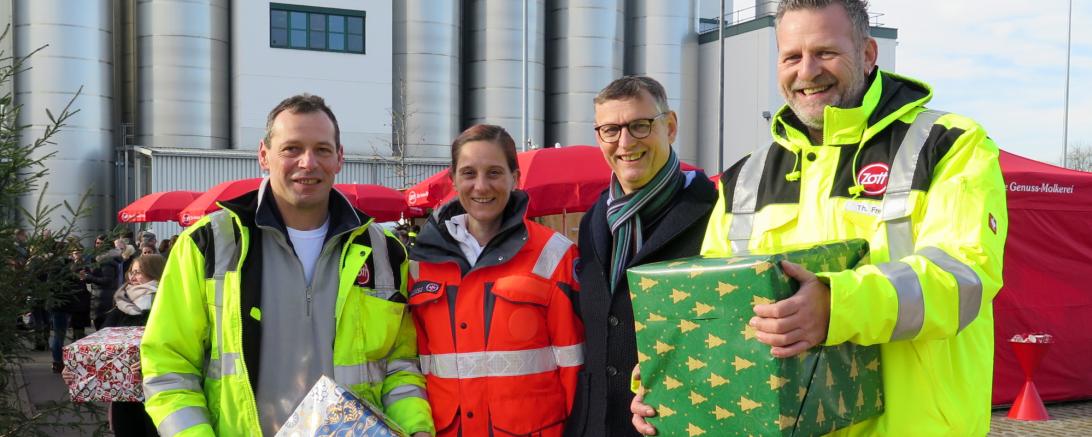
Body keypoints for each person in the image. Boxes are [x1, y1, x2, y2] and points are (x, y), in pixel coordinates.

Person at [631, 1, 1008, 435]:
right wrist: (665, 382)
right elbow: (717, 310)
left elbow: (962, 280)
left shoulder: (949, 145)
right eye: (792, 56)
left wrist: (835, 306)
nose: (807, 72)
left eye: (825, 52)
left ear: (868, 54)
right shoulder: (745, 178)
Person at [140, 94, 434, 436]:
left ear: (339, 158)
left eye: (322, 149)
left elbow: (399, 365)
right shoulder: (208, 246)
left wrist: (416, 428)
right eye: (291, 148)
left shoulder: (384, 252)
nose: (308, 163)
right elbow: (169, 367)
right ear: (264, 156)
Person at [563, 76, 717, 437]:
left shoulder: (713, 212)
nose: (625, 142)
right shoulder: (594, 221)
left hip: (675, 423)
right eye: (610, 130)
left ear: (671, 126)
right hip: (598, 424)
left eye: (639, 125)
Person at [409, 124, 584, 437]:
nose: (481, 186)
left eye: (494, 173)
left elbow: (574, 366)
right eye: (468, 173)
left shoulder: (555, 254)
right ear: (453, 180)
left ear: (515, 178)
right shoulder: (421, 263)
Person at [103, 254, 166, 437]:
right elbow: (102, 341)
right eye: (132, 272)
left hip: (159, 386)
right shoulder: (122, 303)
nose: (132, 277)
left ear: (155, 274)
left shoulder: (166, 302)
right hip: (125, 390)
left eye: (138, 272)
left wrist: (151, 360)